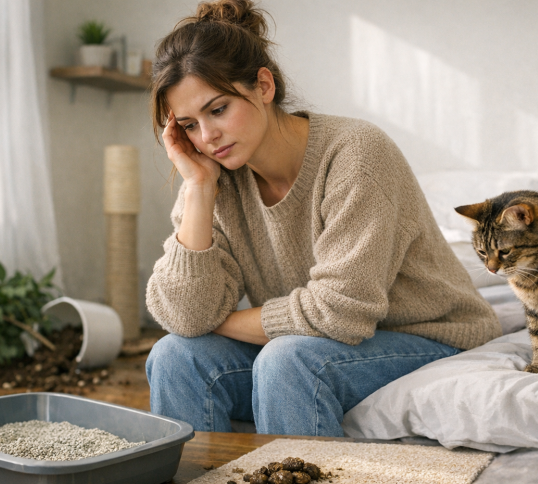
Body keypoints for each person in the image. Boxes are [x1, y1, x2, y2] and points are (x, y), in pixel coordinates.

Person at [144, 0, 501, 437]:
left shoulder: (357, 153)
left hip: (427, 334)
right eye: (190, 125)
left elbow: (340, 313)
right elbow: (182, 316)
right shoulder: (214, 175)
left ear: (263, 85)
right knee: (175, 357)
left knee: (287, 360)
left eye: (217, 110)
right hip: (315, 342)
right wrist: (199, 189)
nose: (207, 137)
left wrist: (217, 320)